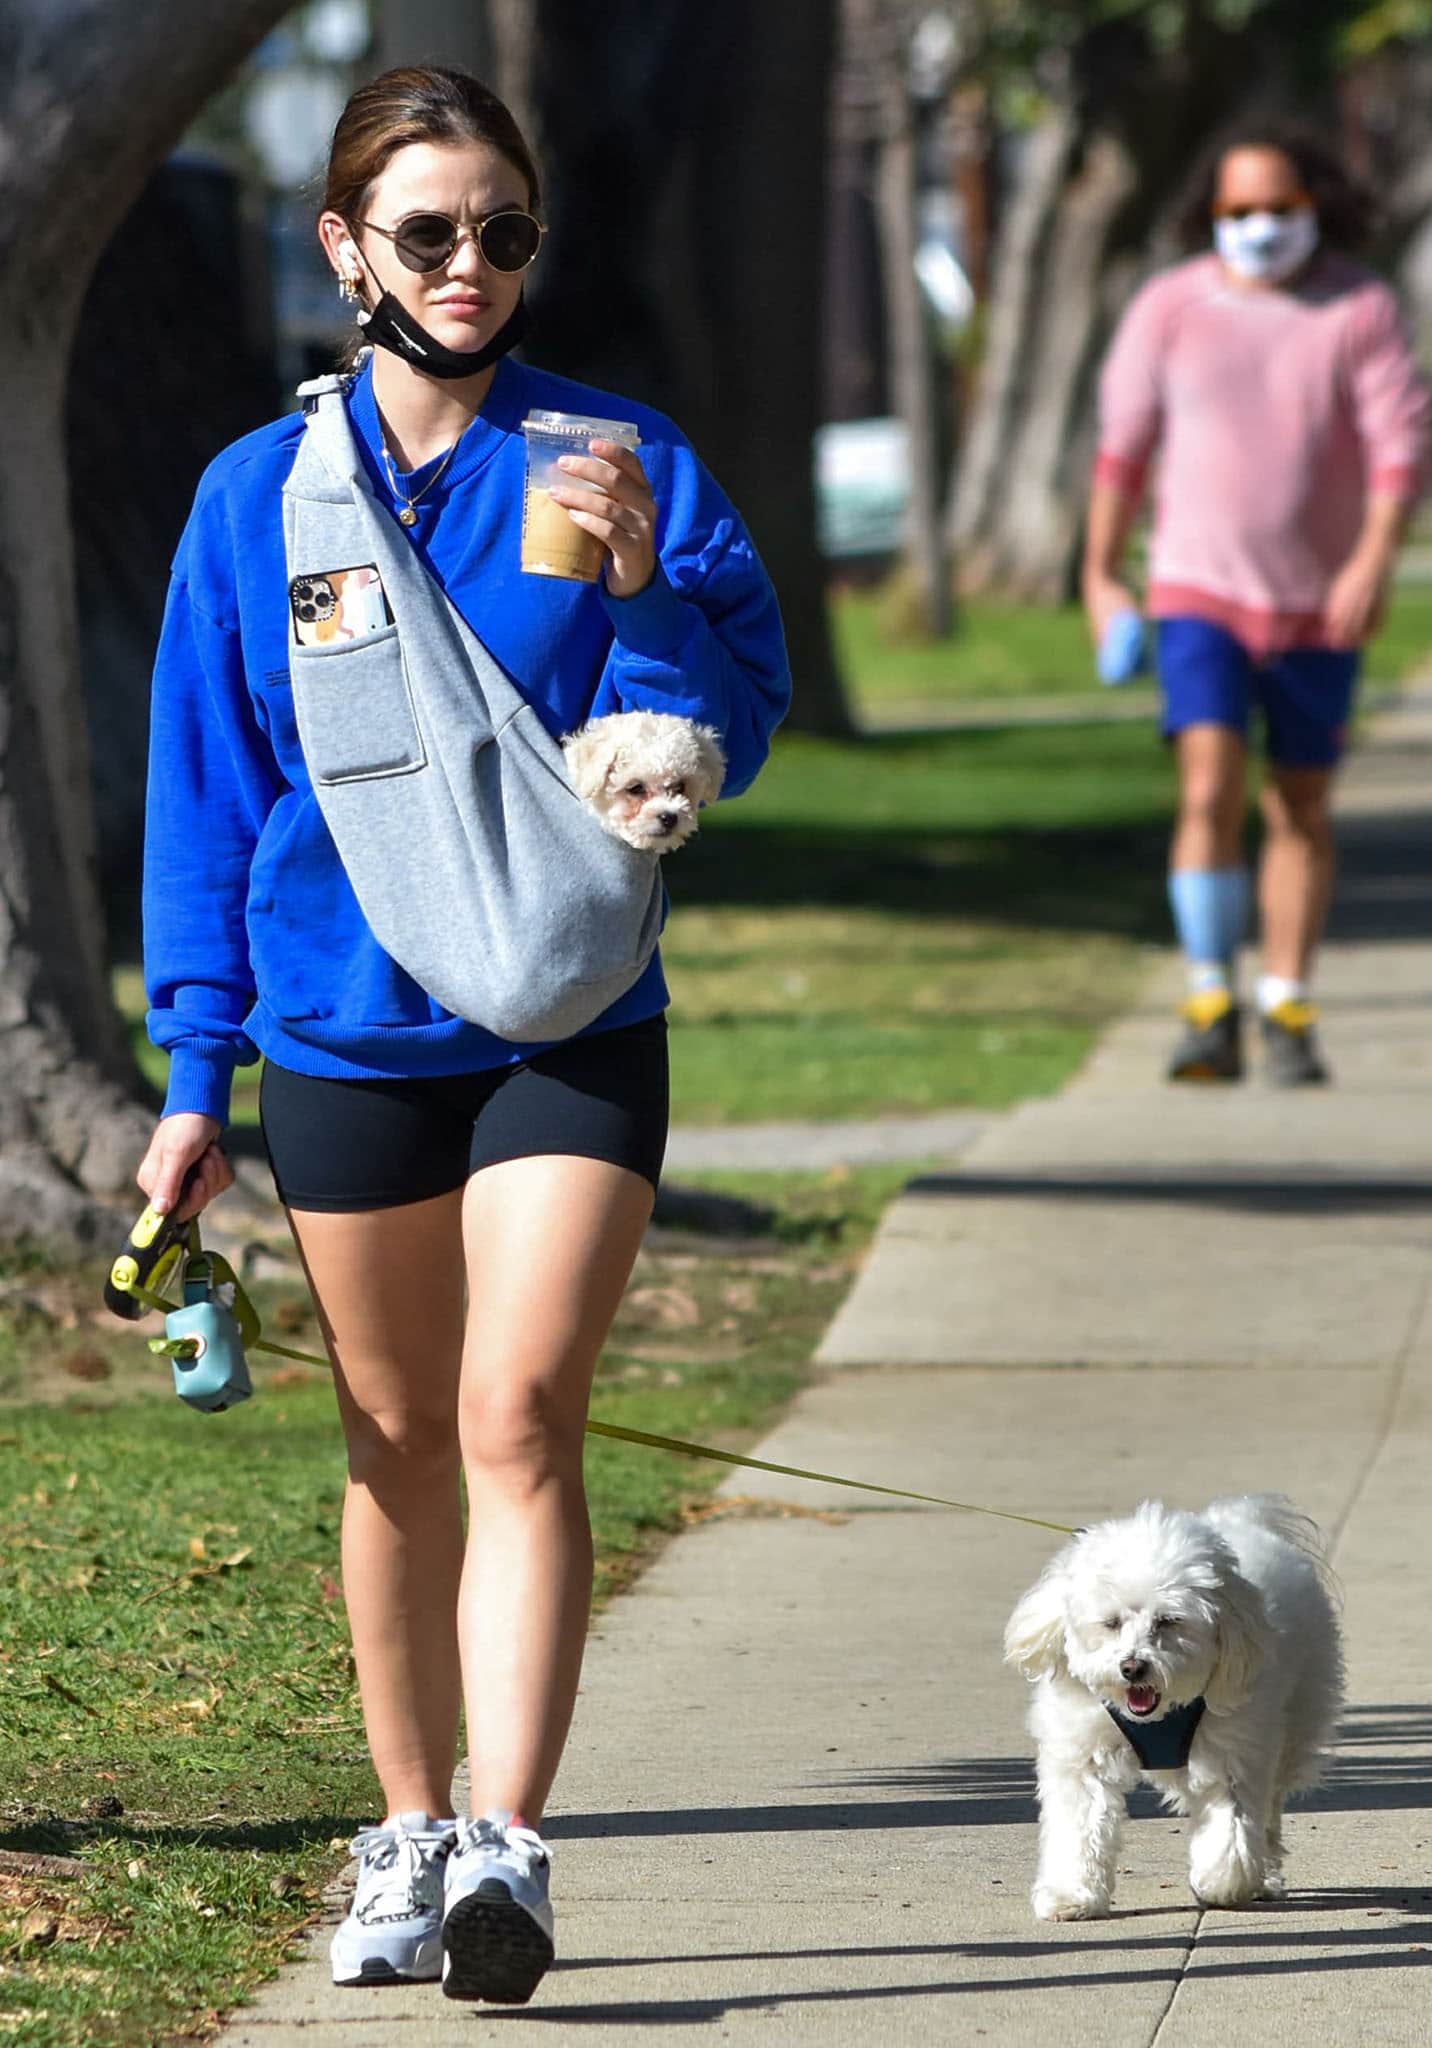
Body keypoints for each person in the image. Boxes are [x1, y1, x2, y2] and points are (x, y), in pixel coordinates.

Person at [135, 65, 790, 2006]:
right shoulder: (257, 498)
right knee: (397, 1437)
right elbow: (202, 791)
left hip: (567, 1014)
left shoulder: (609, 458)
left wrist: (649, 581)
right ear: (346, 250)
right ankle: (409, 1829)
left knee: (516, 1409)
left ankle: (508, 1837)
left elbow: (717, 735)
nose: (472, 264)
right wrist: (190, 1079)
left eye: (504, 230)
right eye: (427, 231)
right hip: (336, 1030)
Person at [1083, 125, 1429, 1085]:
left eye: (1280, 207)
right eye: (1239, 211)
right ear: (1211, 215)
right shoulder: (1169, 308)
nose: (1261, 227)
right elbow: (1122, 450)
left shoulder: (1358, 306)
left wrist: (1371, 564)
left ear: (1315, 205)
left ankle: (1285, 1000)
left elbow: (1400, 448)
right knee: (1208, 788)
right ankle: (1207, 1000)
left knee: (1301, 805)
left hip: (1320, 606)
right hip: (1198, 588)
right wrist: (1101, 572)